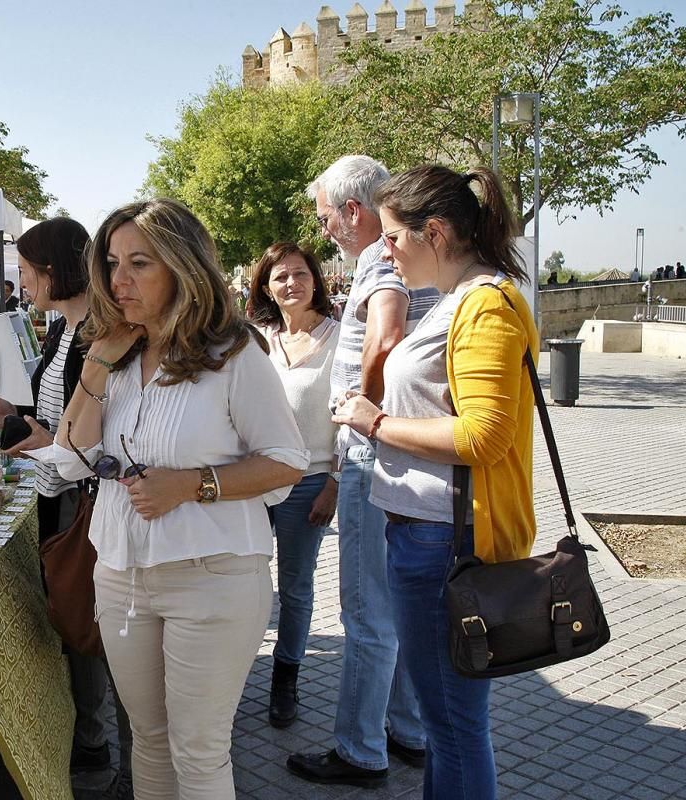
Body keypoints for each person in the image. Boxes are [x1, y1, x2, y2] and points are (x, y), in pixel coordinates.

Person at [51, 198, 309, 799]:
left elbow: (287, 463)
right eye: (112, 264)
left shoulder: (233, 352)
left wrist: (192, 485)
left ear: (181, 266)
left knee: (198, 750)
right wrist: (95, 362)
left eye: (139, 263)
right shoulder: (115, 354)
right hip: (120, 574)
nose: (119, 281)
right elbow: (70, 455)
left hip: (212, 575)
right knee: (148, 738)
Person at [332, 165, 540, 800]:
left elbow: (483, 436)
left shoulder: (484, 306)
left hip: (446, 544)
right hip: (428, 536)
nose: (385, 251)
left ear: (437, 232)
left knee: (452, 727)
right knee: (449, 726)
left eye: (393, 236)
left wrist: (377, 421)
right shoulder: (459, 301)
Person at [0, 217, 134, 798]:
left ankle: (114, 755)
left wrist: (46, 439)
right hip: (59, 491)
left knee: (93, 622)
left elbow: (95, 432)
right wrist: (11, 414)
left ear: (51, 270)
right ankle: (90, 737)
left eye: (25, 270)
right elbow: (53, 417)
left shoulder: (98, 332)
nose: (21, 281)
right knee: (76, 618)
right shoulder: (62, 329)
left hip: (86, 497)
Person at [288, 155, 432, 789]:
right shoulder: (410, 256)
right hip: (407, 457)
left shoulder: (380, 259)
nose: (325, 233)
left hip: (374, 455)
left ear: (352, 211)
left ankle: (359, 749)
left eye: (325, 219)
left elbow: (387, 335)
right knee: (398, 606)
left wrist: (362, 409)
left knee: (368, 610)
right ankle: (407, 729)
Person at [246, 242, 340, 730]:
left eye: (300, 274)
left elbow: (348, 418)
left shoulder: (340, 338)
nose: (291, 283)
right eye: (280, 277)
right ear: (266, 286)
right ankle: (238, 667)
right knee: (246, 580)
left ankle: (286, 678)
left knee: (296, 588)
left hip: (310, 484)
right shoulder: (258, 342)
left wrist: (335, 484)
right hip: (256, 483)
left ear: (315, 280)